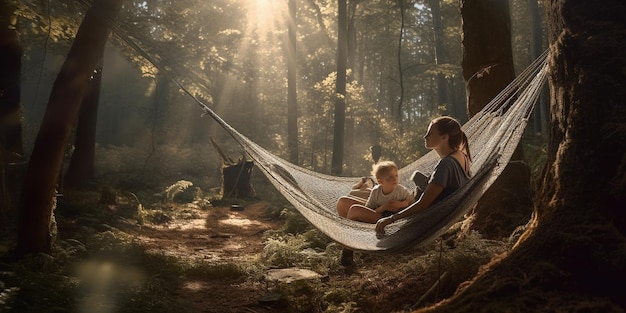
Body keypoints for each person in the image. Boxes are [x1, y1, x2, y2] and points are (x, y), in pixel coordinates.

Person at [375, 116, 472, 234]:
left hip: (415, 219)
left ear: (444, 137)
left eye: (430, 133)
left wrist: (391, 219)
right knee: (354, 202)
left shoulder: (446, 164)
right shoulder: (462, 158)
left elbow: (423, 204)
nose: (425, 136)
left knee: (352, 208)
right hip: (417, 212)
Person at [337, 160, 415, 224]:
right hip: (379, 214)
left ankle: (351, 230)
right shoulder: (376, 191)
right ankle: (352, 226)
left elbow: (411, 200)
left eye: (396, 175)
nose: (394, 179)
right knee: (342, 202)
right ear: (380, 181)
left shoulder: (400, 190)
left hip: (390, 219)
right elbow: (369, 209)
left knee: (354, 210)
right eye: (390, 177)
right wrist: (383, 207)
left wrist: (400, 204)